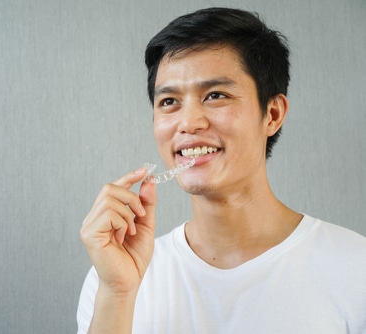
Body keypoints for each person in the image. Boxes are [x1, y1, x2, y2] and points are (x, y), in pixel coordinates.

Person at [77, 7, 366, 334]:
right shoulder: (116, 278)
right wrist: (117, 294)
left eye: (215, 95)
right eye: (169, 101)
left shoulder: (355, 270)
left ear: (271, 114)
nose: (188, 123)